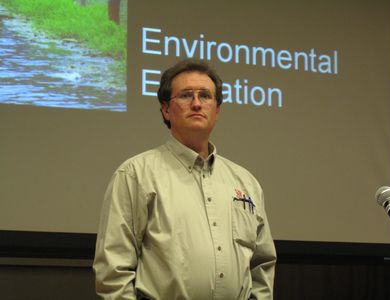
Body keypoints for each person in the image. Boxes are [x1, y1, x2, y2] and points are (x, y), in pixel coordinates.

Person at [93, 59, 276, 299]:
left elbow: (262, 265)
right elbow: (113, 270)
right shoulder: (136, 174)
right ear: (166, 110)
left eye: (205, 96)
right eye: (186, 95)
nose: (197, 103)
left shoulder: (246, 182)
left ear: (217, 110)